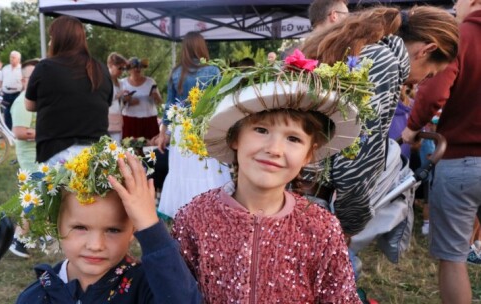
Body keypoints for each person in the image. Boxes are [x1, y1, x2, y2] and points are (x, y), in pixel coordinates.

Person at [170, 53, 368, 302]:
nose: (275, 149)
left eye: (293, 139)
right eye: (261, 130)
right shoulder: (194, 218)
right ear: (234, 138)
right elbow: (174, 291)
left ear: (309, 153)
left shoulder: (321, 229)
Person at [302, 6, 459, 238]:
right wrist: (350, 225)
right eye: (429, 75)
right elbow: (354, 160)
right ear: (427, 50)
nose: (420, 83)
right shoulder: (384, 63)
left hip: (298, 184)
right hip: (313, 200)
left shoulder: (363, 47)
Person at [0, 137, 201, 303]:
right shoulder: (36, 297)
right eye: (80, 227)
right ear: (55, 224)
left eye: (113, 230)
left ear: (133, 230)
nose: (95, 245)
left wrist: (151, 228)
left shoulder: (147, 287)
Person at [401, 1, 481, 302]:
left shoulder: (462, 38)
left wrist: (411, 127)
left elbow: (434, 91)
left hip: (461, 160)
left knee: (453, 257)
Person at [155, 31, 231, 219]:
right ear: (201, 47)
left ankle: (183, 210)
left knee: (182, 170)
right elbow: (220, 103)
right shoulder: (214, 70)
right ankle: (210, 208)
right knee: (208, 168)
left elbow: (169, 107)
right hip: (206, 125)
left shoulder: (176, 72)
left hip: (182, 128)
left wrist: (163, 132)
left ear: (185, 48)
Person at [25, 16, 113, 165]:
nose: (49, 42)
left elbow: (29, 105)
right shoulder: (100, 68)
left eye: (52, 37)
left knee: (57, 189)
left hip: (57, 151)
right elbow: (106, 102)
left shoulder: (45, 67)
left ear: (59, 39)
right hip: (97, 153)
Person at [8, 58, 40, 258]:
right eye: (33, 77)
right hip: (31, 159)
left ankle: (42, 234)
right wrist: (49, 132)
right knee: (33, 198)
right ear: (23, 80)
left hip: (41, 156)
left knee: (45, 196)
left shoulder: (36, 100)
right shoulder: (21, 102)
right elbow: (20, 132)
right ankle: (17, 239)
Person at [120, 57, 162, 140]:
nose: (137, 69)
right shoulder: (122, 83)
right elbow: (116, 104)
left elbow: (160, 101)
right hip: (129, 121)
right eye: (134, 67)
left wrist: (156, 97)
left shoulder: (150, 82)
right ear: (129, 70)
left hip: (149, 121)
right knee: (130, 148)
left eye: (139, 67)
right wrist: (126, 100)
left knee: (151, 149)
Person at [0, 50, 23, 130]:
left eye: (13, 57)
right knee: (7, 113)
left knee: (17, 113)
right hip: (6, 94)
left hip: (17, 94)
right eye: (10, 57)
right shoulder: (5, 68)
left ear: (18, 59)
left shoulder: (22, 69)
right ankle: (8, 131)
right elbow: (0, 81)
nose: (11, 59)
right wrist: (0, 90)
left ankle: (17, 131)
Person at [106, 52, 128, 143]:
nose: (121, 71)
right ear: (110, 65)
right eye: (119, 68)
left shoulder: (121, 83)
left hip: (117, 119)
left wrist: (125, 99)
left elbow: (120, 105)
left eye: (123, 68)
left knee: (117, 146)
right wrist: (116, 96)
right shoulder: (103, 80)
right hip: (105, 118)